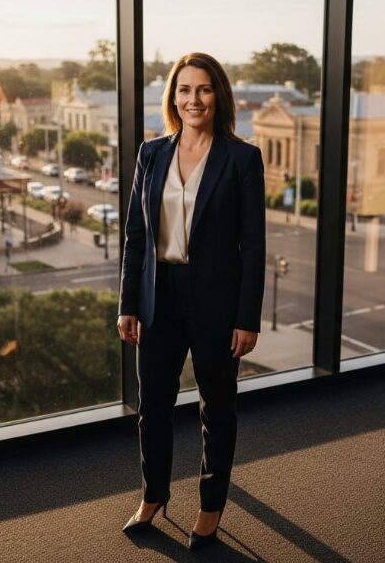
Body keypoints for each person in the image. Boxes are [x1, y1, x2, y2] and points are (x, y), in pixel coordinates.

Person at [117, 52, 265, 549]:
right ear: (173, 97)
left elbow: (254, 245)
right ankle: (154, 495)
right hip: (159, 297)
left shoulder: (242, 158)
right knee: (152, 406)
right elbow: (135, 235)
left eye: (203, 89)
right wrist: (127, 303)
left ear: (217, 95)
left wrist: (247, 318)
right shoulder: (151, 153)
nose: (193, 99)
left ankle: (210, 505)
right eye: (184, 89)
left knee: (216, 409)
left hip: (215, 304)